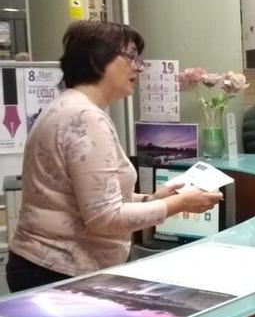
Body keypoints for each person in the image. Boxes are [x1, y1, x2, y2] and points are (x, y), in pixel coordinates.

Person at [6, 21, 222, 292]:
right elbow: (104, 218)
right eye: (131, 56)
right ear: (98, 59)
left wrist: (152, 199)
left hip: (46, 266)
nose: (139, 67)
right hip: (61, 272)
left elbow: (89, 197)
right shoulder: (85, 117)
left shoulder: (69, 106)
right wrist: (178, 205)